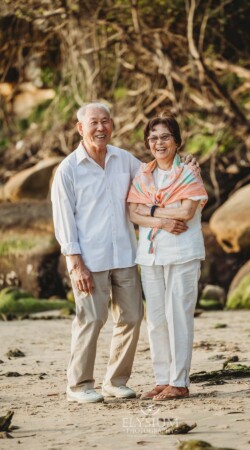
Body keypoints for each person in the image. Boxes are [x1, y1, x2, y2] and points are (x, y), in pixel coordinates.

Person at [51, 102, 189, 403]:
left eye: (105, 122)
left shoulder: (123, 159)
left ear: (111, 125)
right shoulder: (68, 170)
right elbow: (63, 218)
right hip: (90, 259)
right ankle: (78, 385)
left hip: (125, 255)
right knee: (91, 318)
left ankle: (115, 380)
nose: (100, 128)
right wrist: (75, 262)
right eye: (93, 123)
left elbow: (156, 169)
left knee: (131, 316)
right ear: (80, 128)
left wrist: (185, 164)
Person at [127, 112, 208, 401]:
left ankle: (179, 381)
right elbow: (133, 213)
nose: (158, 143)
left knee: (179, 316)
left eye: (164, 137)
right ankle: (162, 379)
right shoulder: (144, 175)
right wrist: (158, 217)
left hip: (182, 253)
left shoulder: (188, 173)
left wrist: (148, 211)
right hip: (150, 255)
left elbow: (187, 212)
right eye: (153, 138)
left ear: (176, 141)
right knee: (157, 319)